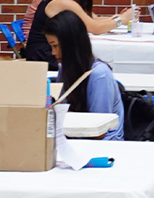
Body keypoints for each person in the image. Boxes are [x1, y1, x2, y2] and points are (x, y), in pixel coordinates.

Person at [23, 0, 137, 68]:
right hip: (44, 57)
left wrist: (119, 17)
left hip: (43, 54)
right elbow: (96, 28)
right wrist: (122, 19)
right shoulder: (63, 3)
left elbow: (92, 20)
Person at [44, 10, 125, 141]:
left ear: (71, 44)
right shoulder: (65, 68)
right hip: (76, 139)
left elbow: (99, 130)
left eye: (56, 46)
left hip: (104, 146)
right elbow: (62, 111)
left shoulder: (99, 75)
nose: (53, 52)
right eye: (51, 46)